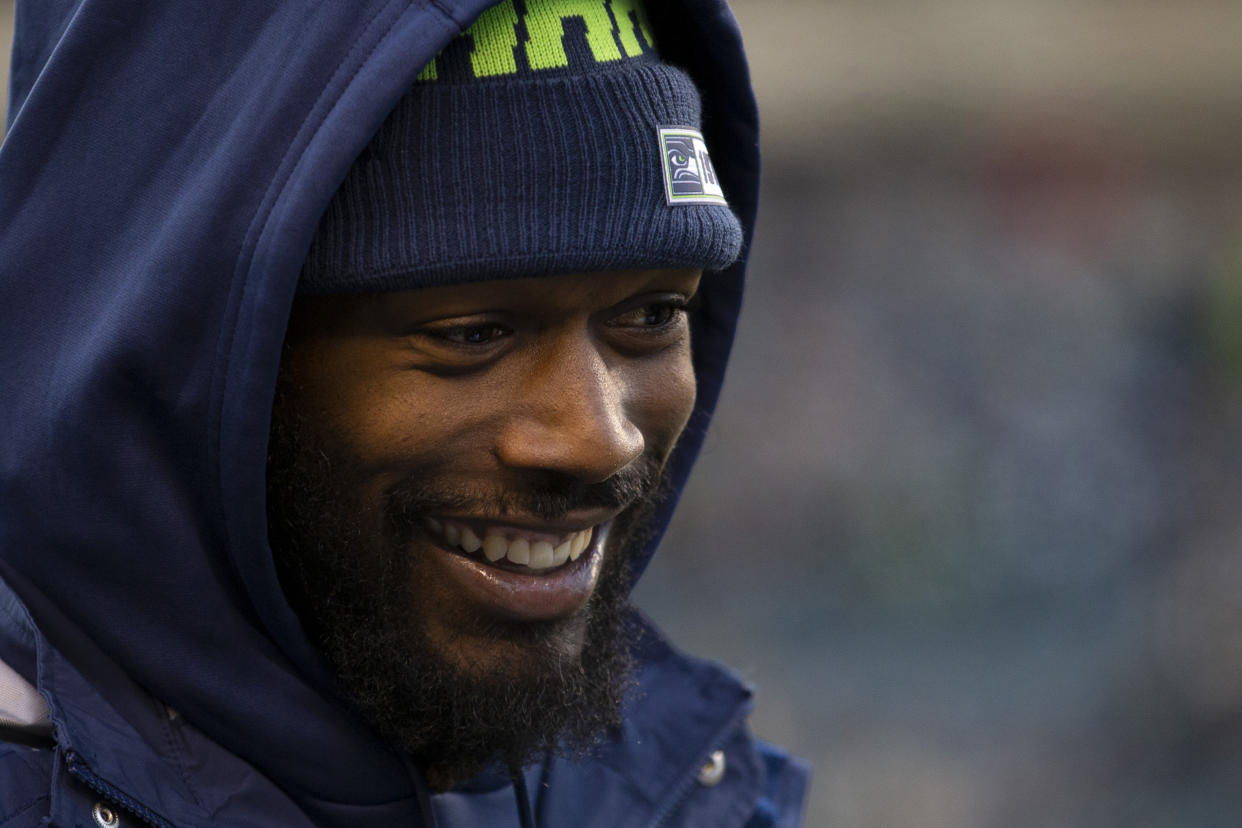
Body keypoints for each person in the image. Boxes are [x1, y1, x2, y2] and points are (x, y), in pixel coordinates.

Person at [0, 0, 809, 824]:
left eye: (651, 316)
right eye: (473, 334)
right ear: (199, 355)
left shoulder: (653, 793)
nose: (599, 438)